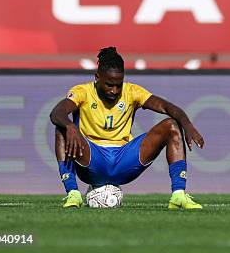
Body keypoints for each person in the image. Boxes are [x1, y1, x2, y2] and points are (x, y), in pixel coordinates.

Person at [50, 47, 205, 209]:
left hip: (124, 160)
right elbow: (56, 113)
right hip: (91, 159)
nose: (115, 90)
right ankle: (73, 194)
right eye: (109, 85)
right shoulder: (82, 92)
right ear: (97, 77)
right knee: (62, 128)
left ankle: (178, 195)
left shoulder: (132, 92)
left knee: (172, 125)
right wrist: (70, 126)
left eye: (118, 85)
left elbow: (166, 106)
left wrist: (187, 124)